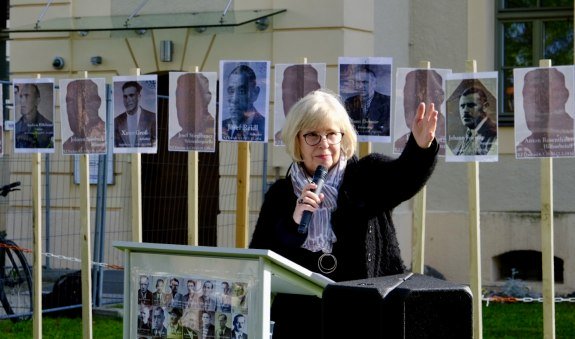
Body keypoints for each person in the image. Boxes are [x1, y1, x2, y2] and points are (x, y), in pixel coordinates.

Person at [249, 89, 438, 338]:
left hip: (363, 313)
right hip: (300, 319)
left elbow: (403, 177)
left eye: (331, 134)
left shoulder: (366, 176)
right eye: (312, 136)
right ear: (297, 140)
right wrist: (293, 222)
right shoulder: (281, 194)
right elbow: (260, 257)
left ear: (343, 136)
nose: (324, 144)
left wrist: (420, 148)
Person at [516, 67, 574, 157]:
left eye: (545, 97)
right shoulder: (524, 149)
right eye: (528, 97)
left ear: (565, 96)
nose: (537, 105)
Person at [395, 69, 447, 155]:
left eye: (414, 95)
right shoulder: (400, 144)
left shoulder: (451, 141)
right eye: (406, 95)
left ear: (438, 98)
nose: (407, 103)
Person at [275, 64, 321, 145]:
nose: (291, 102)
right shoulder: (281, 137)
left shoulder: (325, 132)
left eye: (307, 92)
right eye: (286, 94)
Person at [170, 73, 215, 151]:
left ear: (204, 100)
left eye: (189, 96)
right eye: (179, 96)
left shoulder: (215, 133)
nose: (182, 105)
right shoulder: (174, 142)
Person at [221, 64, 265, 141]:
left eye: (242, 91)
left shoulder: (264, 127)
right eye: (231, 91)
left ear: (255, 93)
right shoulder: (222, 126)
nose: (234, 99)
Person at [344, 65, 390, 136]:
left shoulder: (387, 102)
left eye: (365, 82)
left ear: (374, 83)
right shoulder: (349, 102)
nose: (361, 86)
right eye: (358, 82)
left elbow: (386, 131)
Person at [62, 79, 106, 154]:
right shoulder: (68, 145)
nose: (73, 109)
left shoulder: (105, 137)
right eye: (69, 102)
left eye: (82, 100)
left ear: (97, 103)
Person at [453, 86, 497, 156]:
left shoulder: (494, 134)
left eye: (471, 105)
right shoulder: (466, 135)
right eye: (462, 106)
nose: (465, 110)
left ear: (485, 107)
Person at [114, 81, 156, 148]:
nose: (128, 100)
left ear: (138, 97)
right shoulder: (116, 121)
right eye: (125, 96)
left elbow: (154, 142)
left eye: (131, 95)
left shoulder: (152, 117)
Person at [14, 83, 54, 149]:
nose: (22, 101)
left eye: (27, 96)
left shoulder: (49, 127)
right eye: (21, 96)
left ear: (37, 101)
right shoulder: (16, 127)